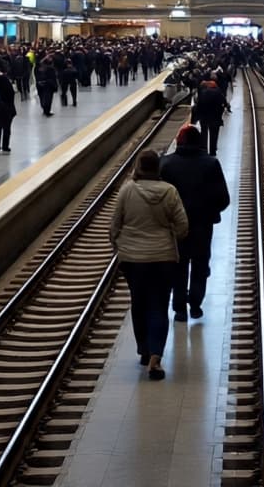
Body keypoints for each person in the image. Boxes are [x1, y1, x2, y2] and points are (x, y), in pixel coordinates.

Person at [109, 150, 188, 380]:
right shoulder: (170, 191)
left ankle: (143, 349)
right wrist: (170, 235)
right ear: (158, 169)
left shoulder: (127, 190)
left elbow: (115, 225)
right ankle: (156, 356)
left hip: (133, 260)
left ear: (139, 167)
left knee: (139, 303)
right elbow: (183, 227)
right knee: (159, 305)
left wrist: (117, 243)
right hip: (163, 258)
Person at [160, 125, 230, 321]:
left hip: (174, 228)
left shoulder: (166, 164)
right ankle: (196, 303)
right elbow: (224, 199)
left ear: (179, 141)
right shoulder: (211, 164)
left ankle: (179, 308)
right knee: (200, 265)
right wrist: (209, 210)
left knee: (178, 265)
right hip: (202, 226)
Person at [192, 78, 226, 155]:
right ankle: (212, 151)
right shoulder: (218, 92)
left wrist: (197, 117)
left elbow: (199, 105)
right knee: (214, 134)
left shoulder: (203, 93)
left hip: (204, 117)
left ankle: (204, 149)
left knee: (204, 133)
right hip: (215, 118)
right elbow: (222, 104)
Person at [0, 68, 17, 153]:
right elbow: (12, 94)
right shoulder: (6, 82)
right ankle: (5, 146)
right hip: (8, 108)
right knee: (7, 128)